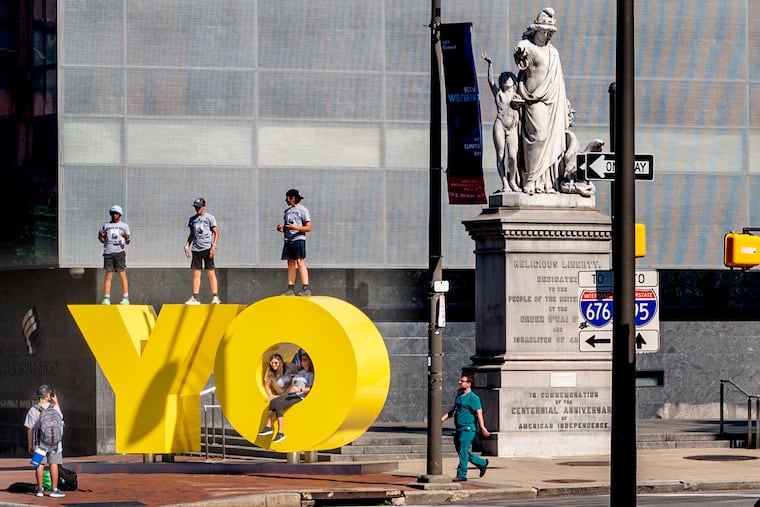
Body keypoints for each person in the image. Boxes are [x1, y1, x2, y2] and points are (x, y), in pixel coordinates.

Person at [513, 7, 569, 195]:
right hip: (533, 97)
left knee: (552, 137)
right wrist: (519, 54)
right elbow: (520, 57)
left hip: (552, 98)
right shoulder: (527, 45)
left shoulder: (553, 52)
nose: (547, 35)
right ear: (536, 30)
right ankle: (530, 179)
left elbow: (558, 79)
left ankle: (545, 181)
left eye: (549, 32)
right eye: (544, 31)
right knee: (538, 136)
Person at [482, 53, 521, 193]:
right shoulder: (499, 94)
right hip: (500, 124)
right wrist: (490, 64)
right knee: (500, 155)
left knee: (512, 156)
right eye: (505, 79)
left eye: (510, 78)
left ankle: (512, 181)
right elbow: (490, 81)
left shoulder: (518, 95)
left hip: (513, 127)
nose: (508, 80)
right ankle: (504, 182)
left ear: (514, 82)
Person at [441, 375, 490, 482]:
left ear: (469, 383)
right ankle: (482, 463)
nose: (459, 382)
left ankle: (461, 474)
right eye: (460, 381)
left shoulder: (473, 398)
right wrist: (442, 419)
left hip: (468, 428)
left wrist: (482, 427)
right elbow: (453, 411)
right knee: (462, 451)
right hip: (459, 428)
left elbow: (479, 413)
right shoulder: (459, 397)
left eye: (462, 381)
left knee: (463, 450)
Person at [258, 351, 314, 443]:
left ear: (309, 361)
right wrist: (272, 395)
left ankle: (281, 433)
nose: (302, 362)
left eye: (305, 360)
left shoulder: (310, 374)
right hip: (291, 394)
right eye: (301, 360)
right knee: (273, 402)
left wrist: (300, 390)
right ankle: (268, 427)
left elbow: (311, 388)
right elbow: (267, 385)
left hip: (299, 396)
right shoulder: (300, 372)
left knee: (279, 405)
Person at [24, 385, 66, 498]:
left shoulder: (33, 410)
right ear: (48, 395)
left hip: (39, 444)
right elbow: (61, 418)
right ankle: (54, 489)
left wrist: (30, 445)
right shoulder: (55, 407)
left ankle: (40, 489)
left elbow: (29, 429)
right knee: (54, 464)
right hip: (56, 443)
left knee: (39, 465)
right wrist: (56, 402)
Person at [184, 197, 221, 304]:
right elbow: (192, 234)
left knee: (211, 272)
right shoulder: (192, 219)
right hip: (196, 249)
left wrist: (213, 246)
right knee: (196, 273)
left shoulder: (210, 218)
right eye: (196, 207)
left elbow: (216, 233)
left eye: (199, 207)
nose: (197, 209)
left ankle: (215, 297)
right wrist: (187, 246)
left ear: (204, 207)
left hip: (207, 249)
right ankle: (195, 297)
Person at [277, 189, 312, 296]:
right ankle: (290, 288)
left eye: (288, 198)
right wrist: (282, 229)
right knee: (290, 262)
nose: (286, 200)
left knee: (299, 261)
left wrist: (295, 227)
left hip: (298, 239)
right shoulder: (287, 211)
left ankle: (306, 288)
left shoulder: (303, 210)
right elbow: (287, 227)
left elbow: (308, 227)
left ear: (293, 198)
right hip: (288, 240)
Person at [98, 205, 130, 305]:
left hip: (119, 252)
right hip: (108, 252)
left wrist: (126, 237)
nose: (114, 215)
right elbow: (103, 240)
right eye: (113, 213)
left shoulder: (124, 226)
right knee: (108, 274)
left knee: (122, 273)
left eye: (116, 214)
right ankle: (106, 298)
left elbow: (128, 241)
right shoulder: (106, 226)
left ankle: (125, 297)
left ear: (119, 215)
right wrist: (100, 237)